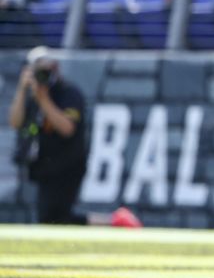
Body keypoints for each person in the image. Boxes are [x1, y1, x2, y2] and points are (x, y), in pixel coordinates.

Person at [8, 48, 141, 228]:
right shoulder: (33, 94)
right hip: (44, 164)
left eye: (46, 70)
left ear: (56, 68)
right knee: (55, 218)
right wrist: (22, 90)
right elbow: (15, 122)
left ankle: (114, 221)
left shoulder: (69, 93)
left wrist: (43, 99)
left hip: (68, 164)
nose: (43, 75)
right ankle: (114, 221)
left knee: (52, 217)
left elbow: (66, 128)